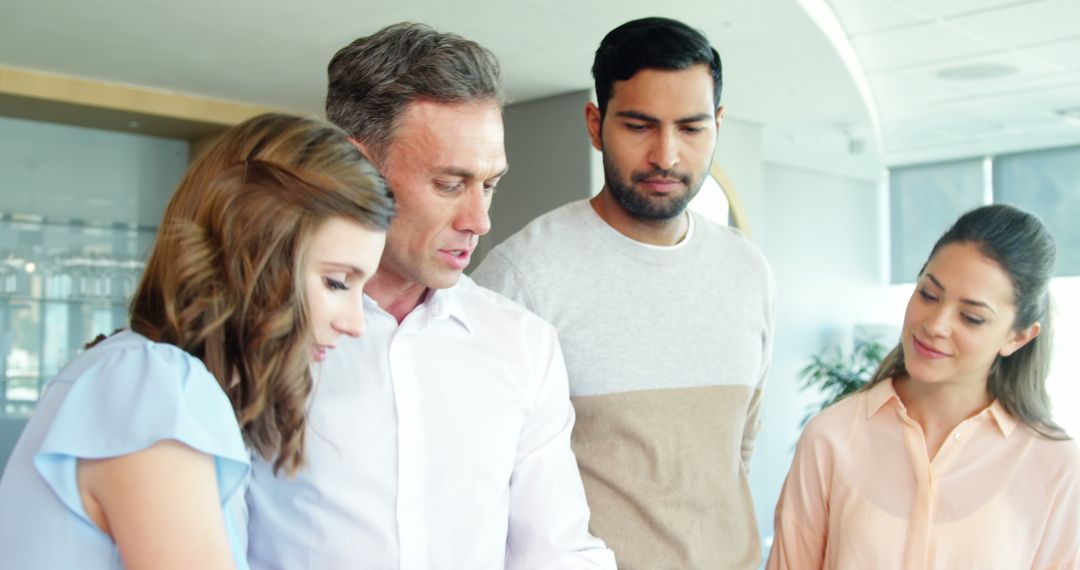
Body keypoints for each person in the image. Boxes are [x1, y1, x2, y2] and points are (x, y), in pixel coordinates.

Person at [244, 23, 615, 569]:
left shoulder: (523, 345)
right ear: (355, 168)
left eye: (489, 184)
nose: (480, 221)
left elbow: (555, 552)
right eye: (449, 184)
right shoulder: (249, 330)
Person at [0, 113, 394, 569]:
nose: (355, 324)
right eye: (338, 282)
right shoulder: (156, 386)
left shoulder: (126, 372)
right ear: (253, 254)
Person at [472, 16, 775, 570]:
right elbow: (481, 481)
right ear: (595, 123)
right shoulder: (523, 275)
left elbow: (737, 451)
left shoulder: (748, 271)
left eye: (691, 128)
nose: (666, 155)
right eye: (639, 126)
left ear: (718, 124)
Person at [767, 204, 1080, 569]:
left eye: (972, 317)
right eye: (928, 295)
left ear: (1018, 337)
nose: (936, 324)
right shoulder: (832, 437)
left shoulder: (1056, 467)